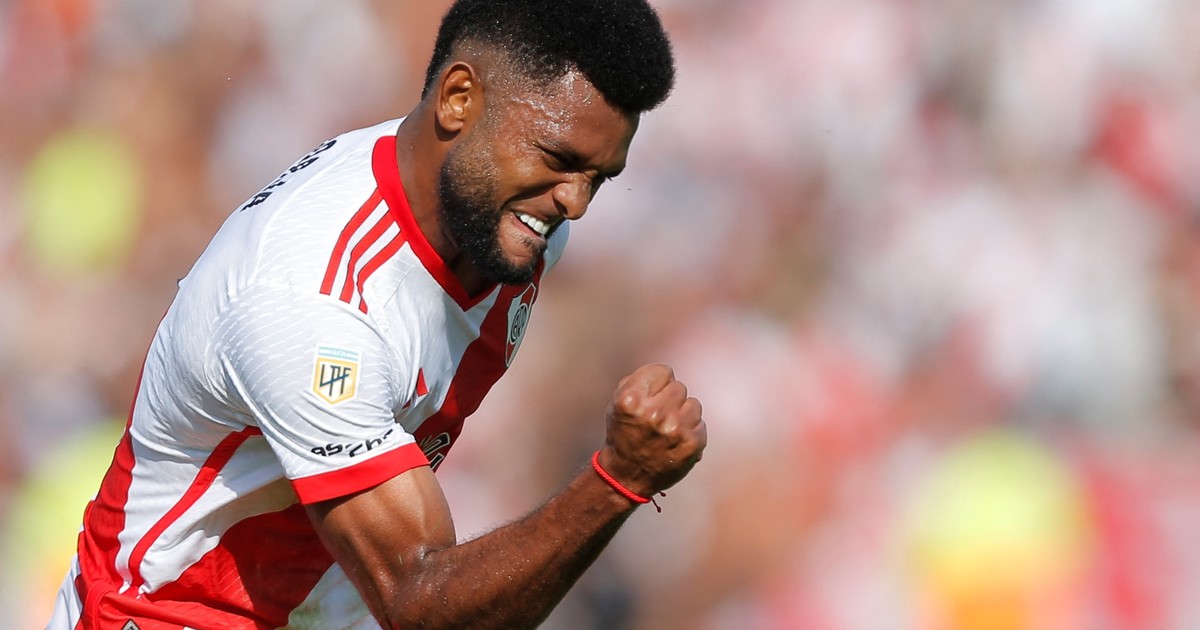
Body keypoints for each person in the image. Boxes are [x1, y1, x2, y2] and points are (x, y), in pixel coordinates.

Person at [48, 0, 707, 628]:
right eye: (560, 161)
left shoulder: (502, 217)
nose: (575, 204)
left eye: (599, 177)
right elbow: (421, 601)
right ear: (458, 99)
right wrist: (616, 481)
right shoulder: (310, 301)